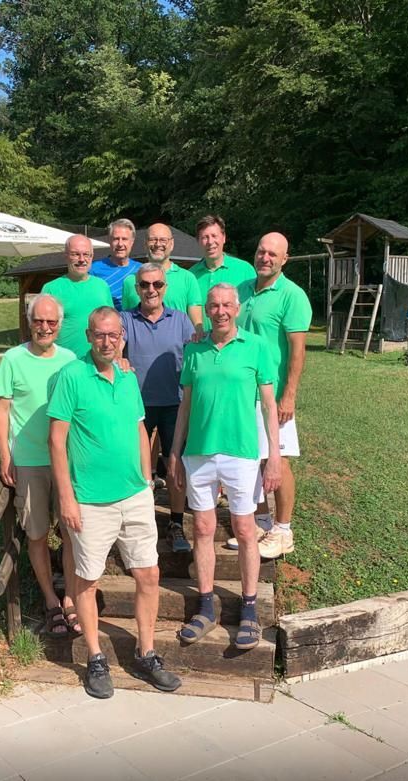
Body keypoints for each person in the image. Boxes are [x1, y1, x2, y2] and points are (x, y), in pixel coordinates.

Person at [48, 306, 182, 699]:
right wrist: (66, 497)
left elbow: (140, 427)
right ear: (88, 336)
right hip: (90, 500)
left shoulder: (127, 376)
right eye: (99, 335)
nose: (107, 342)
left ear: (122, 337)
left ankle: (146, 653)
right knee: (88, 580)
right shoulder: (72, 376)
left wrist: (146, 479)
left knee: (149, 574)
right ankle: (95, 657)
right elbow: (56, 440)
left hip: (134, 495)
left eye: (113, 335)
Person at [168, 284, 281, 650]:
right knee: (203, 528)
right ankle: (205, 607)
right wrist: (175, 452)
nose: (220, 311)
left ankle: (249, 609)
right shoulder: (194, 350)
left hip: (241, 453)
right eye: (214, 305)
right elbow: (185, 406)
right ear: (207, 309)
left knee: (245, 529)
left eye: (226, 305)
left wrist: (274, 456)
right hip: (199, 452)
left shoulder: (256, 347)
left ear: (237, 308)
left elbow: (269, 406)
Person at [0, 294, 80, 637]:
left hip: (66, 461)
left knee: (71, 534)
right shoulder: (13, 358)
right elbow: (2, 410)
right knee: (37, 533)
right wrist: (5, 455)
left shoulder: (70, 360)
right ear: (29, 322)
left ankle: (71, 597)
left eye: (51, 322)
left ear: (60, 325)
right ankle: (50, 600)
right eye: (38, 321)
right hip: (29, 461)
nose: (45, 327)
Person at [230, 232, 312, 560]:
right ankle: (262, 522)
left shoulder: (292, 296)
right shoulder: (242, 290)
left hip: (273, 394)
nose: (265, 258)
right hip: (242, 394)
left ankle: (283, 530)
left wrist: (289, 395)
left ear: (284, 259)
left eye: (272, 254)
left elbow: (298, 351)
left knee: (279, 459)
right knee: (253, 459)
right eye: (261, 251)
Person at [120, 263, 195, 553]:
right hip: (136, 406)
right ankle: (136, 522)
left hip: (174, 404)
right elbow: (113, 346)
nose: (151, 290)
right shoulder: (126, 319)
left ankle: (176, 523)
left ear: (165, 288)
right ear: (136, 288)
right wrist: (118, 358)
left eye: (157, 284)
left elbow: (194, 357)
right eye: (144, 285)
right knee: (135, 465)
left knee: (175, 465)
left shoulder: (181, 320)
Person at [121, 223, 203, 332]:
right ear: (145, 244)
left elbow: (196, 326)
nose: (158, 244)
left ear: (172, 244)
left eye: (163, 240)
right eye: (153, 239)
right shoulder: (130, 281)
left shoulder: (188, 278)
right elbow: (125, 324)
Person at [41, 234, 112, 358]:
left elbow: (113, 325)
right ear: (66, 256)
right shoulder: (51, 289)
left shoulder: (102, 286)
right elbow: (41, 329)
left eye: (86, 254)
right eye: (75, 254)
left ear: (92, 256)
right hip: (63, 362)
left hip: (98, 361)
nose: (81, 259)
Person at [190, 215, 256, 331]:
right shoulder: (191, 276)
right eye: (205, 237)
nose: (210, 242)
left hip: (237, 340)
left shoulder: (245, 270)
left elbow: (256, 309)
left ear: (224, 237)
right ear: (198, 241)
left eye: (214, 236)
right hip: (202, 341)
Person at [90, 218, 142, 311]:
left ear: (132, 242)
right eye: (116, 239)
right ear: (109, 241)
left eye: (124, 239)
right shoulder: (94, 269)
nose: (120, 244)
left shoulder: (141, 270)